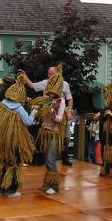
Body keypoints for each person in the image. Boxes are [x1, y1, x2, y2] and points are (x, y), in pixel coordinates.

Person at [0, 74, 38, 198]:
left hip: (2, 140)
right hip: (15, 141)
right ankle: (11, 189)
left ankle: (1, 188)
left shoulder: (1, 104)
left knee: (5, 163)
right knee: (14, 164)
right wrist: (33, 112)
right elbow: (28, 122)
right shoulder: (18, 107)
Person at [23, 66, 74, 166]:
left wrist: (69, 111)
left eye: (51, 73)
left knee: (64, 138)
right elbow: (33, 86)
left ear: (57, 74)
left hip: (59, 117)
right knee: (46, 141)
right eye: (48, 73)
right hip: (47, 116)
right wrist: (25, 78)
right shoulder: (45, 83)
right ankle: (43, 159)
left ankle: (63, 157)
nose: (49, 75)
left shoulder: (64, 87)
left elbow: (70, 99)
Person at [35, 64, 67, 194]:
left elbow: (59, 119)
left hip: (54, 133)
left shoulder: (61, 101)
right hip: (45, 132)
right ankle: (47, 183)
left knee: (51, 159)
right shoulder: (47, 99)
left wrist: (53, 112)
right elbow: (40, 113)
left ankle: (54, 186)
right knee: (46, 159)